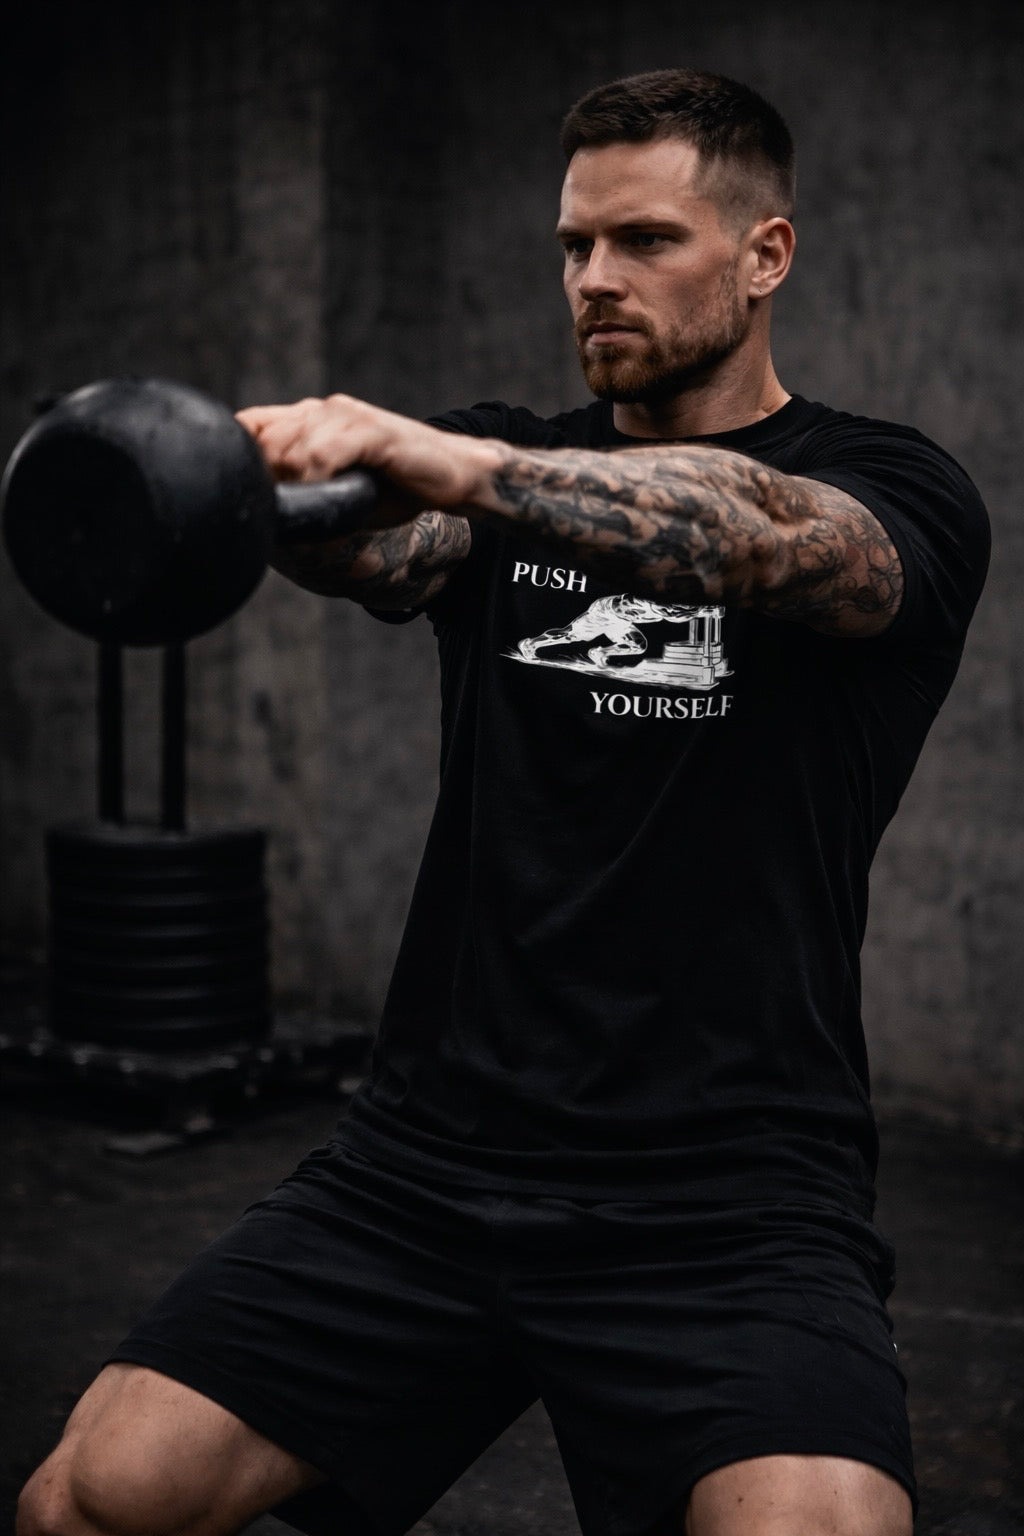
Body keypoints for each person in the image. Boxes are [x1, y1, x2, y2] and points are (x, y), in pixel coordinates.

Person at [19, 68, 989, 1536]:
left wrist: (457, 465)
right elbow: (376, 547)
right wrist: (236, 474)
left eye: (645, 240)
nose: (595, 279)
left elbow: (758, 535)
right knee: (88, 1500)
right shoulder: (488, 483)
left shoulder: (889, 485)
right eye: (573, 245)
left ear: (766, 256)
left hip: (728, 1196)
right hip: (429, 1162)